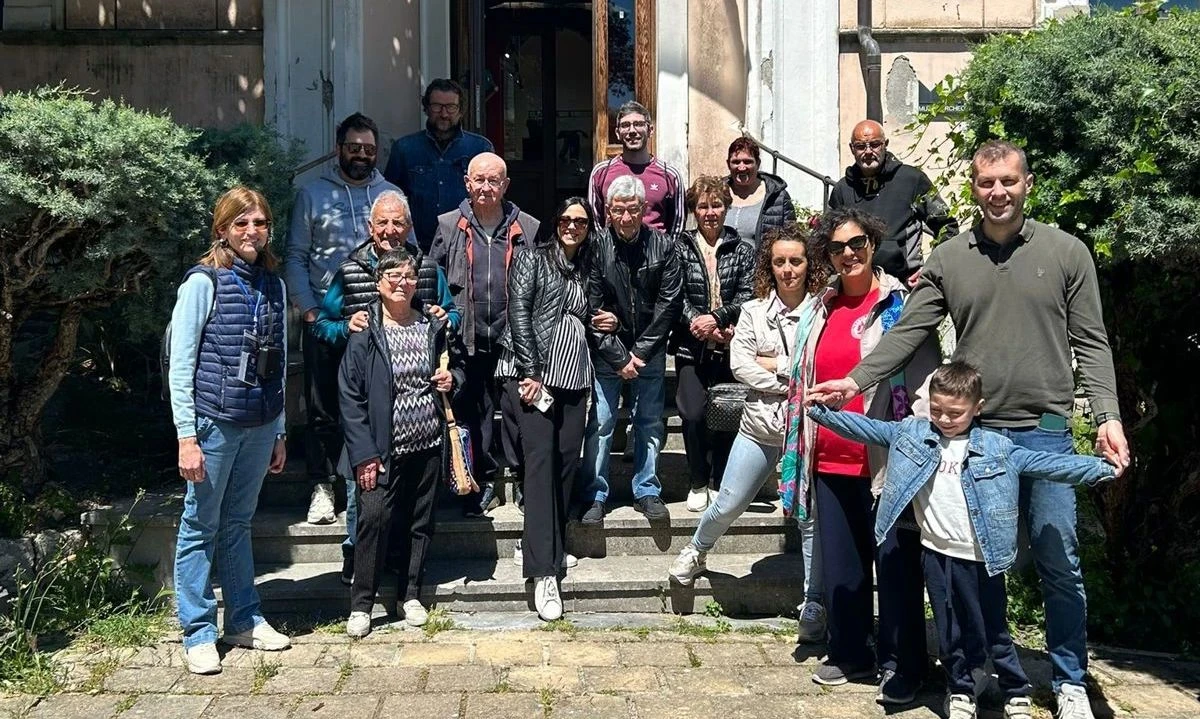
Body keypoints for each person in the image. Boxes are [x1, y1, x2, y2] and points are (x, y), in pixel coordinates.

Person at [811, 139, 1131, 719]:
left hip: (1046, 429)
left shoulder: (1067, 252)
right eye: (986, 182)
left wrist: (1107, 416)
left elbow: (1092, 341)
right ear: (974, 188)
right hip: (975, 436)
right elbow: (909, 332)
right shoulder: (950, 259)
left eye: (1009, 180)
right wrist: (854, 381)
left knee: (1059, 559)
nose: (998, 192)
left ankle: (1069, 679)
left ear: (1027, 183)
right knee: (976, 566)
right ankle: (987, 677)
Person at [808, 361, 1118, 719]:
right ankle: (960, 691)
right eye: (937, 409)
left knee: (994, 631)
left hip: (983, 557)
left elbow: (1048, 463)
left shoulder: (997, 447)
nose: (944, 419)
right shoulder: (913, 435)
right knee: (949, 630)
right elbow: (865, 428)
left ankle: (1015, 690)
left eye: (955, 413)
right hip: (937, 555)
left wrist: (1101, 469)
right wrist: (820, 411)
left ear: (978, 408)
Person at [795, 208, 940, 701]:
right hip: (831, 454)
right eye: (837, 248)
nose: (848, 254)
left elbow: (923, 377)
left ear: (873, 243)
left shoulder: (902, 301)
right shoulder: (821, 306)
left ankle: (904, 663)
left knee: (896, 563)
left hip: (886, 456)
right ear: (828, 257)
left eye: (857, 243)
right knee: (843, 564)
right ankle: (850, 652)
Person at [667, 222, 827, 646]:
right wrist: (793, 377)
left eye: (796, 261)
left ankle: (814, 600)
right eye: (780, 262)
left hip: (807, 430)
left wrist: (776, 365)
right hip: (760, 427)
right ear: (769, 267)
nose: (788, 269)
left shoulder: (822, 311)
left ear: (809, 264)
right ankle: (696, 551)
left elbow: (823, 367)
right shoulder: (754, 311)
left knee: (808, 517)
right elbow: (742, 365)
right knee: (728, 503)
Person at [168, 187, 292, 675]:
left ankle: (244, 618)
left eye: (259, 223)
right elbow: (182, 364)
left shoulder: (274, 285)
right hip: (214, 423)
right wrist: (186, 436)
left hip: (260, 423)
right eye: (240, 223)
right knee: (201, 525)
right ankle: (198, 631)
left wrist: (280, 430)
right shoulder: (203, 283)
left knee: (238, 524)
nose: (251, 232)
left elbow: (280, 361)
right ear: (222, 229)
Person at [311, 190, 459, 585]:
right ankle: (355, 554)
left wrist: (449, 317)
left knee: (406, 492)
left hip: (416, 406)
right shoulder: (349, 271)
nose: (391, 231)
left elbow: (454, 314)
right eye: (383, 223)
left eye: (398, 223)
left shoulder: (426, 269)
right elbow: (322, 326)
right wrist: (345, 327)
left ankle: (395, 560)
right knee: (364, 484)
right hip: (366, 398)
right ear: (370, 227)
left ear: (409, 227)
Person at [338, 249, 466, 638]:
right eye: (392, 275)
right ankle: (362, 603)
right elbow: (349, 395)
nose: (400, 281)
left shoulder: (431, 324)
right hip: (380, 450)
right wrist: (364, 455)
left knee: (419, 522)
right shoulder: (366, 332)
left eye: (408, 275)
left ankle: (410, 594)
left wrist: (453, 381)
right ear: (378, 283)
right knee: (373, 519)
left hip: (427, 443)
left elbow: (457, 365)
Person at [285, 112, 401, 527]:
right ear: (339, 149)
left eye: (369, 150)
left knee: (369, 405)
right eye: (354, 148)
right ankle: (321, 486)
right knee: (322, 406)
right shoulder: (312, 195)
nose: (362, 155)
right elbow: (296, 257)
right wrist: (309, 309)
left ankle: (369, 480)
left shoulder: (391, 194)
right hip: (327, 318)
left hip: (380, 324)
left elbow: (408, 253)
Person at [496, 197, 597, 621]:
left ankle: (545, 539)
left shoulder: (589, 268)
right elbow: (519, 312)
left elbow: (593, 318)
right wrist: (531, 370)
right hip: (532, 375)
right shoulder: (531, 260)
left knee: (565, 461)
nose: (573, 226)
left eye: (581, 221)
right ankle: (543, 572)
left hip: (575, 377)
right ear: (555, 223)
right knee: (538, 464)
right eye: (566, 219)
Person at [430, 152, 540, 517]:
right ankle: (484, 481)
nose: (486, 188)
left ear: (506, 185)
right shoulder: (448, 225)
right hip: (468, 339)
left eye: (494, 181)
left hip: (513, 340)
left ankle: (526, 480)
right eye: (480, 180)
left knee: (518, 414)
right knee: (476, 414)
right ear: (467, 183)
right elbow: (433, 279)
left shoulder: (528, 226)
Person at [579, 175, 683, 523]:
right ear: (608, 211)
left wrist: (639, 353)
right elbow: (591, 308)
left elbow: (668, 305)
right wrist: (620, 355)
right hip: (609, 352)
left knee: (649, 421)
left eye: (633, 209)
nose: (626, 217)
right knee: (602, 422)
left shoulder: (663, 247)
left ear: (644, 210)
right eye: (619, 210)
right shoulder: (595, 246)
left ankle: (647, 489)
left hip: (648, 351)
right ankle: (595, 493)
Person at [669, 176, 755, 512]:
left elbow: (749, 294)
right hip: (691, 345)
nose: (710, 212)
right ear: (693, 210)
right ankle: (697, 479)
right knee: (692, 412)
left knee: (727, 413)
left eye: (716, 205)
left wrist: (719, 320)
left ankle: (720, 478)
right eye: (703, 206)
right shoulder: (678, 247)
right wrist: (699, 324)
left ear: (726, 208)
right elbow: (673, 293)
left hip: (730, 343)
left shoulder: (742, 249)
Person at [828, 120, 959, 285]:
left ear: (885, 144)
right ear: (852, 149)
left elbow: (947, 226)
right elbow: (827, 238)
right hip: (854, 287)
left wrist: (932, 268)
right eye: (861, 146)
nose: (868, 151)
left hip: (905, 285)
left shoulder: (912, 180)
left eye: (875, 145)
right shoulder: (842, 189)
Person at [384, 79, 495, 252]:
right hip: (417, 249)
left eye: (451, 107)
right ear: (426, 108)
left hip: (467, 246)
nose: (444, 114)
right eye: (437, 106)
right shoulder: (404, 149)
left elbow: (493, 200)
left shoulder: (480, 148)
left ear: (461, 110)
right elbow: (390, 201)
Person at [587, 101, 685, 236]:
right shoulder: (600, 173)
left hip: (657, 255)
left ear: (650, 130)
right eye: (625, 125)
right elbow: (595, 222)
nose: (632, 131)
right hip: (612, 254)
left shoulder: (670, 176)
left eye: (638, 124)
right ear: (617, 132)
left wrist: (666, 253)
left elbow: (677, 227)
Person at [724, 136, 797, 249]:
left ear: (758, 163)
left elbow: (791, 238)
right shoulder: (717, 193)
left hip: (761, 265)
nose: (741, 167)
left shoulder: (777, 197)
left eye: (748, 162)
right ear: (728, 164)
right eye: (736, 162)